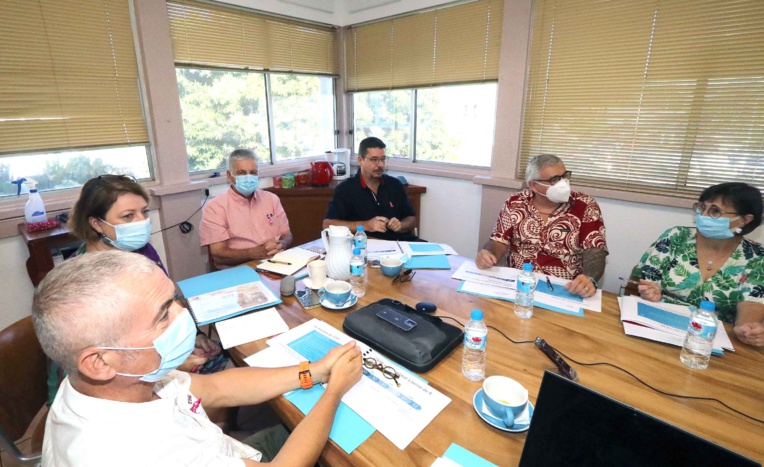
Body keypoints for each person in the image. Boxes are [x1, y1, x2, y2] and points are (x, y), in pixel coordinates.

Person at [33, 251, 362, 466]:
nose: (183, 315)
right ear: (100, 363)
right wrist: (334, 391)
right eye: (163, 315)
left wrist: (315, 371)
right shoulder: (142, 453)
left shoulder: (122, 379)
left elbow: (217, 388)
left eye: (173, 300)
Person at [52, 175, 223, 405]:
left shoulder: (144, 252)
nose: (141, 221)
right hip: (109, 387)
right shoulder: (82, 284)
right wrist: (169, 364)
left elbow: (169, 302)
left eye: (144, 212)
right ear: (96, 223)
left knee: (224, 357)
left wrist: (195, 337)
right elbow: (102, 363)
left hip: (150, 359)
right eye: (128, 216)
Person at [630, 182, 764, 347]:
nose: (704, 215)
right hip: (657, 326)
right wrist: (650, 291)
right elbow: (641, 282)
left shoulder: (757, 256)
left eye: (715, 211)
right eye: (702, 208)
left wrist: (746, 329)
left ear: (744, 219)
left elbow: (752, 303)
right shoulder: (676, 236)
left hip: (709, 341)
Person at [476, 154, 608, 298]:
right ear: (534, 185)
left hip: (565, 289)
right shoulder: (515, 202)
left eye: (565, 176)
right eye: (555, 180)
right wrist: (488, 253)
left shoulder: (585, 205)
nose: (563, 183)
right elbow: (498, 241)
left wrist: (589, 277)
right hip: (519, 285)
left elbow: (596, 250)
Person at [201, 149, 293, 269]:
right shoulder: (215, 208)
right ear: (230, 176)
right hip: (240, 271)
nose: (248, 177)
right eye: (241, 173)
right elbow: (218, 254)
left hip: (277, 264)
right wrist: (254, 253)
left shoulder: (271, 199)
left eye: (253, 172)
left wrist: (282, 244)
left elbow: (287, 235)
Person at [323, 137, 419, 241]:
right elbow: (328, 225)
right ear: (360, 160)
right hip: (368, 245)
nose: (380, 165)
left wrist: (401, 225)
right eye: (374, 160)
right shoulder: (345, 189)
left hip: (402, 243)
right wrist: (366, 225)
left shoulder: (395, 185)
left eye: (383, 159)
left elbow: (411, 219)